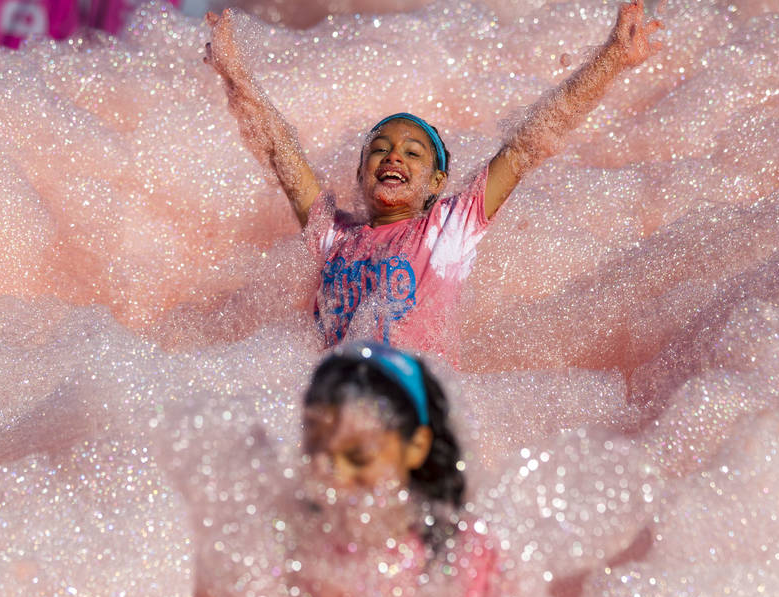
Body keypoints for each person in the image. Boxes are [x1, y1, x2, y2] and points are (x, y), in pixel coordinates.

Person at [204, 1, 663, 358]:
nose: (393, 156)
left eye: (412, 152)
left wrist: (612, 59)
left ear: (436, 181)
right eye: (380, 149)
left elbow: (529, 144)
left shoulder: (448, 228)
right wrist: (235, 75)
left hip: (415, 403)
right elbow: (279, 153)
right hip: (339, 403)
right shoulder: (334, 236)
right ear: (361, 174)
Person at [177, 342, 523, 597]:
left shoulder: (462, 556)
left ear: (417, 447)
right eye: (318, 452)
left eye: (359, 457)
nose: (335, 474)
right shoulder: (290, 539)